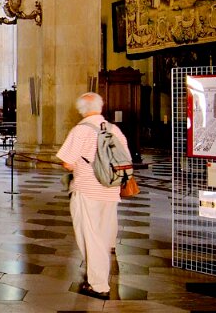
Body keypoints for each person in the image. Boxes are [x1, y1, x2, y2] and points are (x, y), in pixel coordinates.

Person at [56, 92, 131, 301]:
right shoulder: (114, 129)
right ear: (100, 107)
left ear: (81, 109)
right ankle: (99, 273)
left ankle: (98, 285)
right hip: (111, 189)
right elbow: (126, 159)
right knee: (103, 236)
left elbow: (67, 163)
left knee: (91, 237)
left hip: (87, 190)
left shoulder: (80, 130)